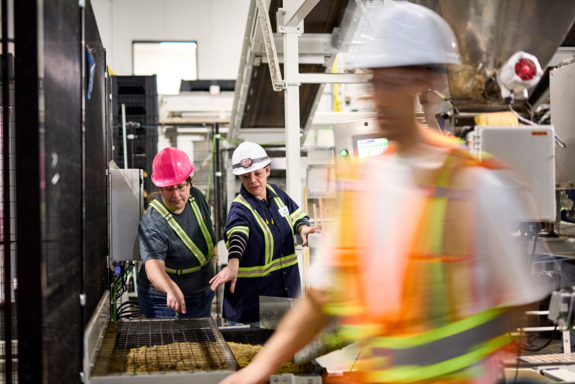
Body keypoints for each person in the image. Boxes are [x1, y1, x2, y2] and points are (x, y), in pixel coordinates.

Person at [219, 2, 551, 383]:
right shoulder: (365, 183)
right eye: (373, 81)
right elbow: (323, 298)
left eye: (390, 82)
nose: (377, 96)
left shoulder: (473, 186)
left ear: (423, 82)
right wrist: (258, 369)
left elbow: (513, 306)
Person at [209, 141, 320, 325]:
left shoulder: (276, 194)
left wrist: (304, 228)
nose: (252, 180)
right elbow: (238, 236)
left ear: (267, 170)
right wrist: (232, 264)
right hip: (255, 301)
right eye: (245, 176)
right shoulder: (239, 209)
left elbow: (294, 214)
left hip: (285, 292)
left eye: (257, 173)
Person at [137, 147, 217, 318]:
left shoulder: (196, 197)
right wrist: (170, 289)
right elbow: (153, 268)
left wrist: (214, 259)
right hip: (165, 301)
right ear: (160, 188)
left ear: (189, 183)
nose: (176, 195)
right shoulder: (153, 222)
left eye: (181, 187)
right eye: (168, 188)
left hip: (203, 293)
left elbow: (208, 231)